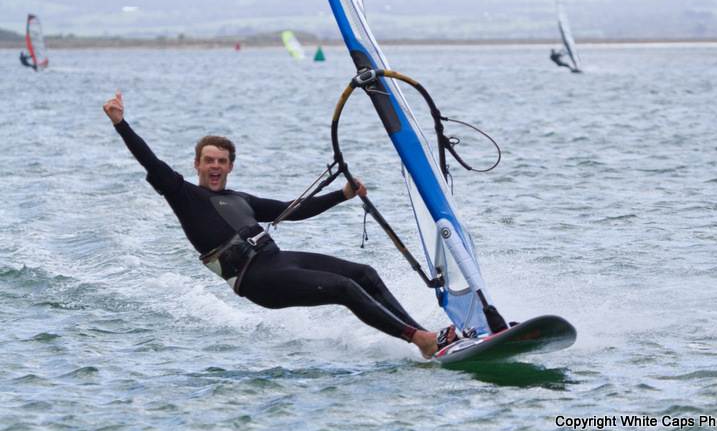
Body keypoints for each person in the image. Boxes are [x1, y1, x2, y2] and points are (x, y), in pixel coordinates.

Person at [102, 91, 457, 358]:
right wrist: (120, 123)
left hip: (279, 261)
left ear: (230, 166)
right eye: (208, 160)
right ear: (197, 164)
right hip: (257, 281)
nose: (215, 166)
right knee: (344, 289)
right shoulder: (183, 195)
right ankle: (420, 339)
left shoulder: (240, 199)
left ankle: (427, 338)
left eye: (221, 161)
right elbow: (150, 161)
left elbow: (292, 209)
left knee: (364, 274)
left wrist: (342, 194)